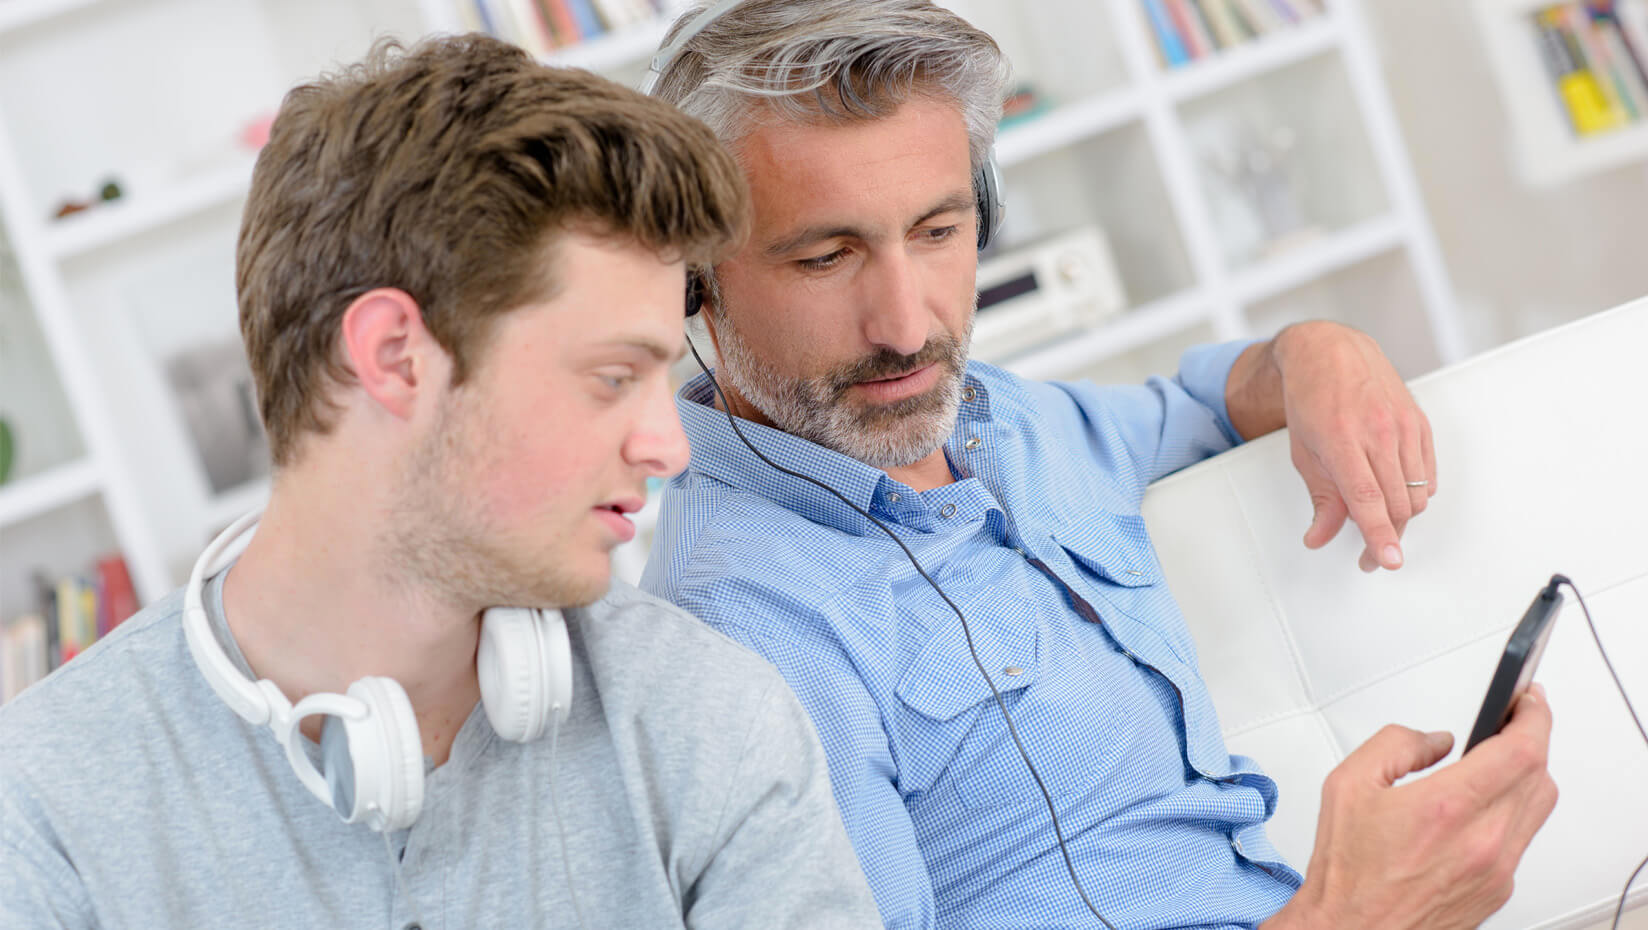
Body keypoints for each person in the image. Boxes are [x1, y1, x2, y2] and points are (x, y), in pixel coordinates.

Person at [639, 2, 1558, 928]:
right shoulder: (739, 634)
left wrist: (1318, 348)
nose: (909, 327)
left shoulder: (1005, 422)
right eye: (827, 257)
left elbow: (1203, 406)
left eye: (937, 232)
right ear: (692, 279)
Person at [0, 34, 881, 929]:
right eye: (615, 378)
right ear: (395, 358)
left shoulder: (706, 716)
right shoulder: (45, 809)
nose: (668, 446)